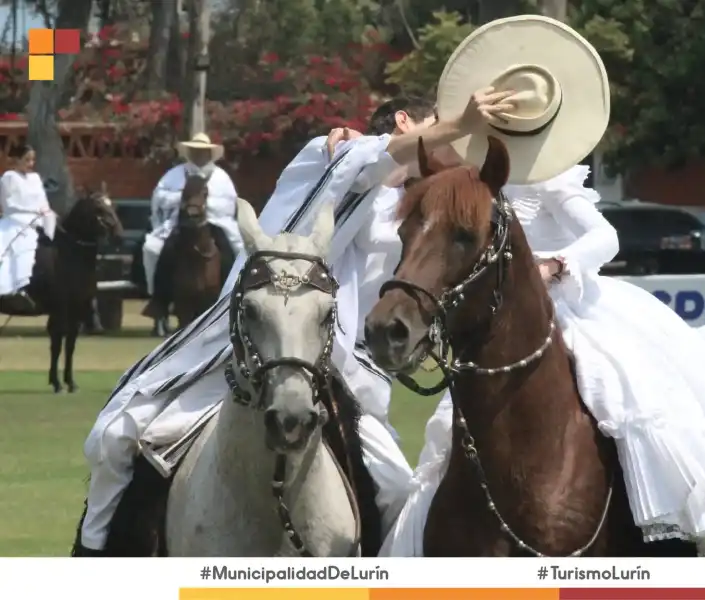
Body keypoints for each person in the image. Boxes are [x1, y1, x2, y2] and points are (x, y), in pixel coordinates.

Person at [378, 15, 705, 557]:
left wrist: (555, 267)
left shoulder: (554, 174)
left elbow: (604, 237)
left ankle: (675, 533)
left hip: (575, 306)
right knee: (451, 436)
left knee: (628, 395)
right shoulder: (463, 175)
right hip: (497, 312)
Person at [72, 91, 513, 556]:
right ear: (405, 122)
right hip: (249, 339)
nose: (454, 140)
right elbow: (372, 160)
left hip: (340, 364)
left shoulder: (415, 203)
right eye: (438, 125)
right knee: (115, 437)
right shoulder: (335, 156)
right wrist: (462, 121)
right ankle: (94, 560)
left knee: (398, 491)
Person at [141, 133, 244, 336]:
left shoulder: (221, 177)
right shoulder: (174, 175)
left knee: (236, 250)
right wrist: (181, 200)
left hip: (214, 223)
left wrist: (205, 204)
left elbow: (229, 203)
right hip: (179, 222)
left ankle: (233, 295)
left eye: (203, 151)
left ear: (210, 153)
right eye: (195, 151)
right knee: (152, 248)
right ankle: (158, 299)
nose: (199, 155)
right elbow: (159, 197)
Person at [0, 143, 57, 309]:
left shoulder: (36, 178)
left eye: (33, 160)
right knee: (21, 246)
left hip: (40, 218)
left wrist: (47, 213)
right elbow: (8, 204)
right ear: (16, 160)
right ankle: (15, 287)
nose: (31, 164)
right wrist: (32, 213)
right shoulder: (9, 177)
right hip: (17, 220)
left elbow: (42, 200)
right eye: (27, 160)